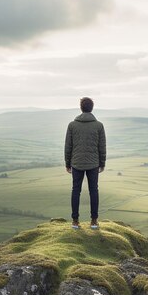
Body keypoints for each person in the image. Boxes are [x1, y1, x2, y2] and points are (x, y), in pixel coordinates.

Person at [64, 97, 106, 229]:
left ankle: (75, 221)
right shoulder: (99, 125)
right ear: (91, 108)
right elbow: (102, 146)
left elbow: (68, 146)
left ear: (81, 107)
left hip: (76, 163)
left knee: (76, 191)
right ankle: (94, 221)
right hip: (93, 164)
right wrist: (102, 162)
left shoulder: (72, 125)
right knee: (94, 190)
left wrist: (67, 163)